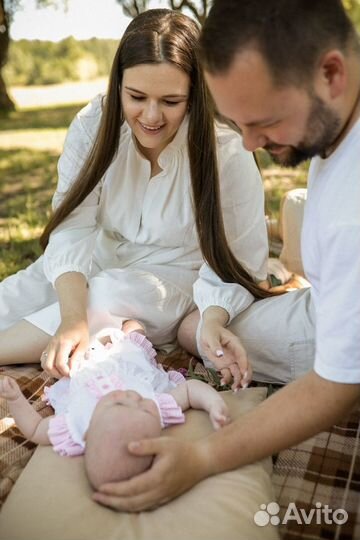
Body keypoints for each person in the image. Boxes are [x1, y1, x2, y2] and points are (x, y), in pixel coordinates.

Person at [91, 0, 360, 512]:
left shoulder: (352, 215)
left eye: (264, 121)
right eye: (237, 122)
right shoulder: (339, 124)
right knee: (225, 330)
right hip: (324, 307)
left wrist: (203, 457)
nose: (251, 143)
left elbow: (338, 385)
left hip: (334, 341)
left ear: (331, 73)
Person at [0, 8, 272, 387]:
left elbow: (240, 258)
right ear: (118, 85)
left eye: (171, 101)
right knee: (21, 292)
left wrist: (212, 316)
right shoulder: (93, 124)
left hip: (175, 276)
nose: (151, 116)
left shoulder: (226, 149)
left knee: (111, 293)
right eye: (137, 97)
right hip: (101, 255)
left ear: (195, 94)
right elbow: (72, 228)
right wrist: (72, 314)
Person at [0, 324, 230, 490]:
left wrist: (15, 399)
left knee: (68, 351)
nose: (133, 397)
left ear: (89, 432)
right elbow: (190, 390)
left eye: (119, 402)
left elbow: (34, 428)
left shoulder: (76, 426)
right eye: (143, 407)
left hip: (86, 367)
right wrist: (214, 403)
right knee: (134, 327)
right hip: (131, 363)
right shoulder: (154, 408)